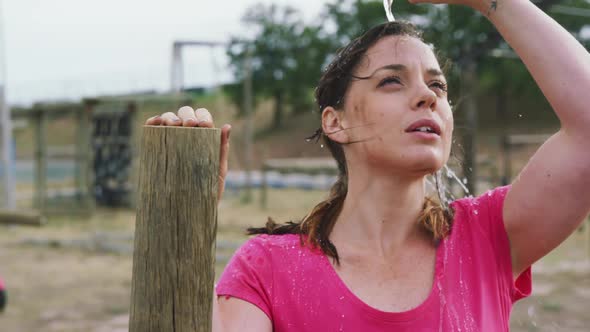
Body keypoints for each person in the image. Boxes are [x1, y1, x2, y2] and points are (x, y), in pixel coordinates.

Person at [145, 0, 590, 330]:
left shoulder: (487, 238)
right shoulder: (268, 269)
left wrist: (494, 2)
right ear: (335, 122)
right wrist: (185, 214)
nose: (428, 96)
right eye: (391, 80)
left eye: (438, 85)